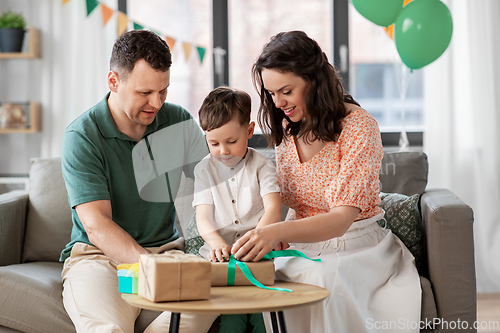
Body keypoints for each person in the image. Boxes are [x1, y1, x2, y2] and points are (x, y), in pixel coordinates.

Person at [231, 31, 421, 333]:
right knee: (264, 279)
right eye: (271, 94)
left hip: (355, 245)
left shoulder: (360, 127)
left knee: (320, 279)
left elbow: (340, 221)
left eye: (286, 91)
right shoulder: (288, 126)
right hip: (302, 245)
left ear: (314, 81)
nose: (278, 102)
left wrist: (275, 231)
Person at [60, 29, 218, 333]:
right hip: (99, 261)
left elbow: (212, 188)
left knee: (205, 309)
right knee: (105, 329)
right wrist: (150, 267)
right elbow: (96, 225)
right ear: (113, 82)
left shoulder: (178, 122)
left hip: (168, 253)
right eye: (144, 93)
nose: (156, 103)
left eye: (163, 91)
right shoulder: (82, 136)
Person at [193, 86, 282, 333]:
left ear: (250, 131)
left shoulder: (262, 165)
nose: (223, 151)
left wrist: (258, 239)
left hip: (258, 255)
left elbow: (273, 209)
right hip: (220, 260)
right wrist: (215, 244)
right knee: (231, 320)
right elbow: (203, 217)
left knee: (263, 318)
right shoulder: (203, 170)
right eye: (214, 143)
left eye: (231, 141)